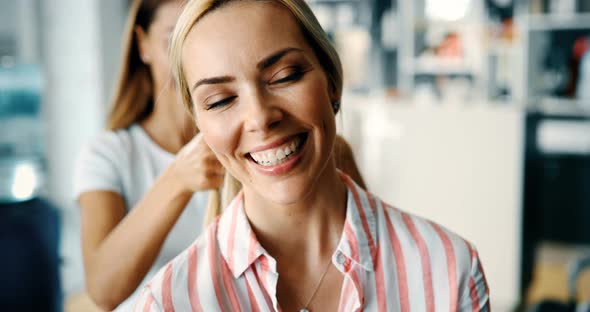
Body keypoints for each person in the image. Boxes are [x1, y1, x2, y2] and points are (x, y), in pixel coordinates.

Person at [134, 0, 490, 311]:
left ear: (331, 81)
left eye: (285, 76)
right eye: (221, 100)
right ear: (201, 127)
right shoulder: (168, 302)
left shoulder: (449, 269)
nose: (259, 117)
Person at [73, 0, 365, 311]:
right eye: (175, 38)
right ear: (141, 43)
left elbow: (370, 255)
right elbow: (103, 290)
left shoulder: (313, 146)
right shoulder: (109, 154)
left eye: (285, 76)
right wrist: (178, 180)